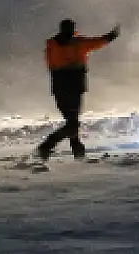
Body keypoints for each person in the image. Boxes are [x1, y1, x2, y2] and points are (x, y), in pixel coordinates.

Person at [38, 18, 120, 160]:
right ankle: (47, 146)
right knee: (73, 124)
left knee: (72, 122)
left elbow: (50, 65)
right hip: (75, 88)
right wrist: (111, 36)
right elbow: (96, 42)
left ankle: (77, 152)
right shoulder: (78, 43)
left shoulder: (51, 45)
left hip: (59, 89)